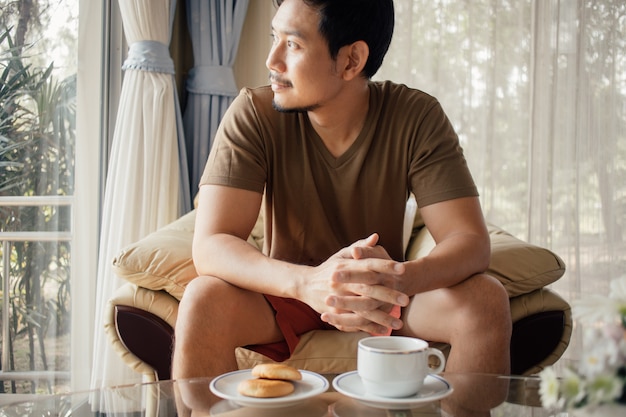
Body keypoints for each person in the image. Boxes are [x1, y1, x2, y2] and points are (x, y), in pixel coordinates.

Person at [172, 0, 512, 382]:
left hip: (386, 297)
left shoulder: (416, 116)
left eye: (294, 45)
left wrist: (398, 279)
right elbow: (211, 243)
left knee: (486, 300)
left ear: (352, 60)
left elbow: (468, 240)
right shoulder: (253, 112)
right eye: (274, 38)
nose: (272, 60)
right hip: (288, 296)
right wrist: (307, 283)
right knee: (202, 300)